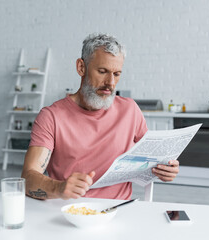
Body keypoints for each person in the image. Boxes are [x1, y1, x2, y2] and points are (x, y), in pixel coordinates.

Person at [21, 33, 179, 200]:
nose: (110, 83)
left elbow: (151, 160)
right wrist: (59, 187)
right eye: (102, 71)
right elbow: (27, 179)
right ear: (81, 67)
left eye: (117, 74)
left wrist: (165, 169)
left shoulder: (130, 110)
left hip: (119, 210)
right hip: (70, 211)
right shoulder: (51, 117)